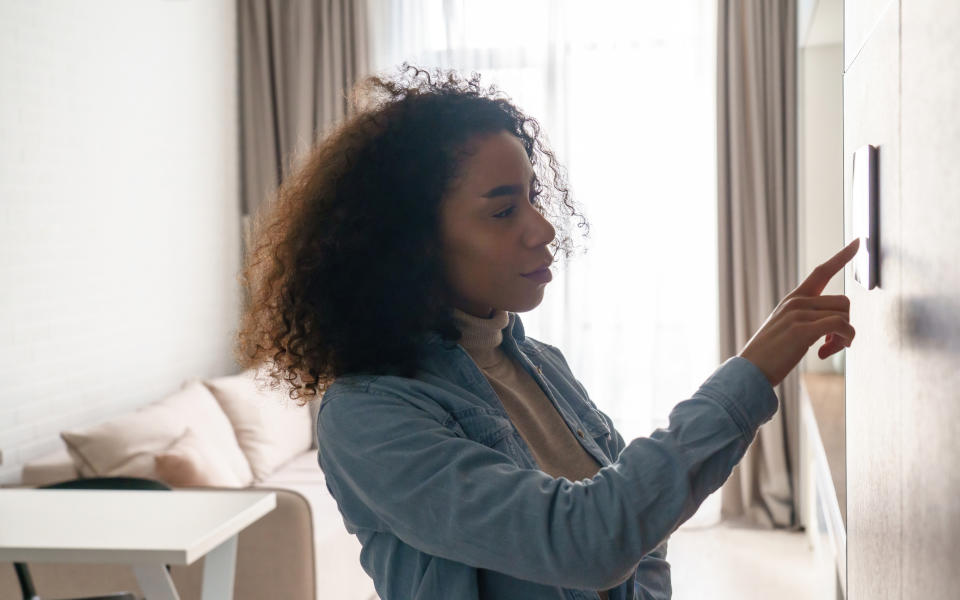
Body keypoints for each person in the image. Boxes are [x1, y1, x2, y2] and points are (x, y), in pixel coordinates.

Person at [234, 65, 859, 600]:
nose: (543, 229)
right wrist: (749, 374)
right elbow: (586, 539)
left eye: (533, 197)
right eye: (504, 210)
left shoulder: (540, 363)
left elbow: (643, 526)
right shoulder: (370, 415)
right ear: (410, 245)